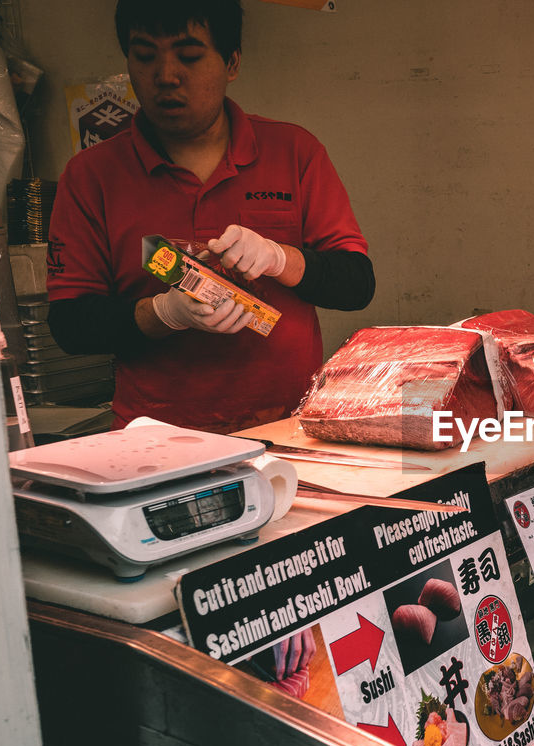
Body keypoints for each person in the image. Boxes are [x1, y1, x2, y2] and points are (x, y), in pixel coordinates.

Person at [46, 0, 375, 434]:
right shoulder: (91, 176)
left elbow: (356, 284)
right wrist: (164, 313)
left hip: (290, 426)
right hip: (156, 435)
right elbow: (71, 325)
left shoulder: (294, 152)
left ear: (231, 62)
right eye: (145, 56)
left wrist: (280, 258)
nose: (165, 76)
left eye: (189, 56)